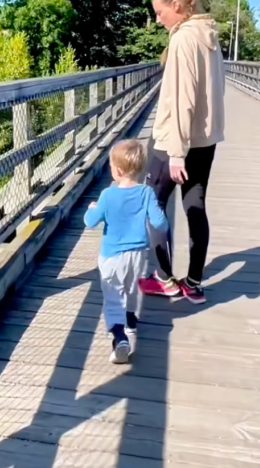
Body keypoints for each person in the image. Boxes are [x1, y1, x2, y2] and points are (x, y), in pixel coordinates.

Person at [138, 0, 226, 305]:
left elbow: (182, 99)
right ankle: (194, 283)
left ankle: (164, 279)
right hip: (205, 140)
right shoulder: (210, 37)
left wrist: (176, 153)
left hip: (174, 142)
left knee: (154, 207)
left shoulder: (183, 40)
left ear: (176, 7)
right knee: (195, 208)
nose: (157, 19)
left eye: (160, 12)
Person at [84, 139, 168, 364]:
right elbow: (160, 224)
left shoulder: (107, 195)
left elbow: (90, 221)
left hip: (112, 257)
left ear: (118, 170)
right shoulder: (147, 193)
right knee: (132, 292)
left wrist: (91, 209)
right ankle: (131, 328)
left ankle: (119, 338)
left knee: (113, 297)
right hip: (139, 256)